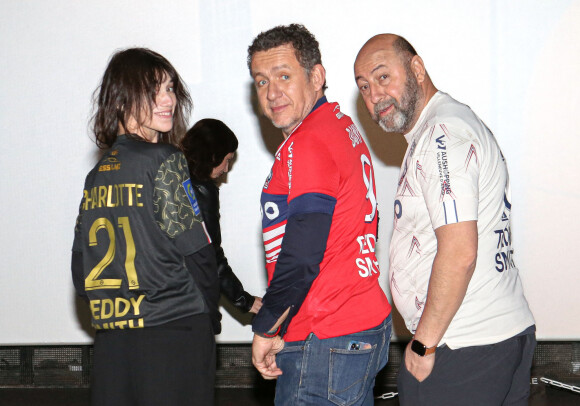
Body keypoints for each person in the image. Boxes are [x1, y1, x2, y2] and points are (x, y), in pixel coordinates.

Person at [354, 34, 536, 406]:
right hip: (490, 339)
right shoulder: (447, 125)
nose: (375, 96)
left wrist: (423, 343)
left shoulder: (442, 134)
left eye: (383, 77)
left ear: (417, 69)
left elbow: (459, 252)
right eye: (364, 87)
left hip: (463, 345)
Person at [247, 24, 392, 405]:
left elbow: (303, 252)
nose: (272, 92)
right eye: (261, 81)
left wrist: (266, 325)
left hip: (326, 333)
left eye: (283, 76)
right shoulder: (341, 126)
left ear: (316, 76)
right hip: (358, 320)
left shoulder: (310, 140)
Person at [71, 48, 219, 406]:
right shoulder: (165, 160)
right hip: (175, 331)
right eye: (154, 90)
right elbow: (198, 253)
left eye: (169, 88)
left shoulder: (96, 175)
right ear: (122, 98)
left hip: (114, 341)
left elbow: (80, 272)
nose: (167, 99)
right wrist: (209, 315)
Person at [180, 118, 262, 315]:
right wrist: (244, 300)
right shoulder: (201, 191)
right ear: (213, 155)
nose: (226, 169)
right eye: (227, 160)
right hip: (193, 306)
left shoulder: (169, 179)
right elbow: (210, 254)